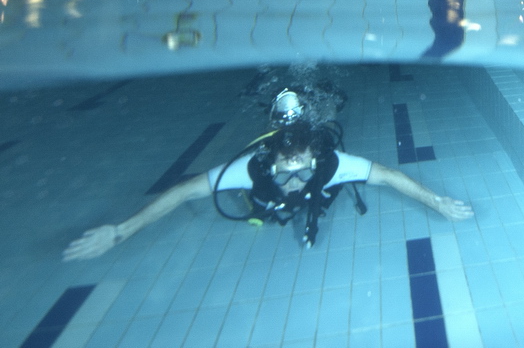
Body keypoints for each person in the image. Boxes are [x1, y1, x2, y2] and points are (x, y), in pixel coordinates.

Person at [62, 100, 473, 261]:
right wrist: (121, 231)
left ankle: (327, 111)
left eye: (303, 164)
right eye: (285, 166)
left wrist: (437, 201)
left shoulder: (331, 163)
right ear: (271, 154)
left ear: (315, 153)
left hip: (318, 192)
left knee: (320, 198)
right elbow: (183, 191)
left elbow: (390, 177)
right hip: (263, 199)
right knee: (261, 207)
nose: (294, 173)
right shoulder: (251, 168)